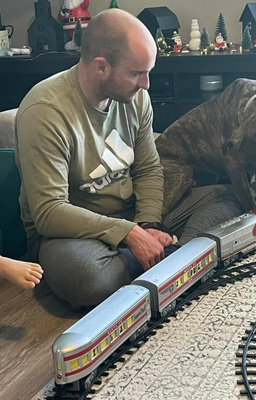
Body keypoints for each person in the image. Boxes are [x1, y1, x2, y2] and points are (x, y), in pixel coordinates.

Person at [15, 9, 242, 308]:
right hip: (72, 234)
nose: (146, 84)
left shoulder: (135, 98)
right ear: (100, 67)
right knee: (89, 279)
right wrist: (128, 234)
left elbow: (148, 168)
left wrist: (148, 223)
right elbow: (48, 212)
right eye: (136, 73)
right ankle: (182, 259)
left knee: (227, 196)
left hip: (130, 215)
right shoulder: (45, 111)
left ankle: (165, 259)